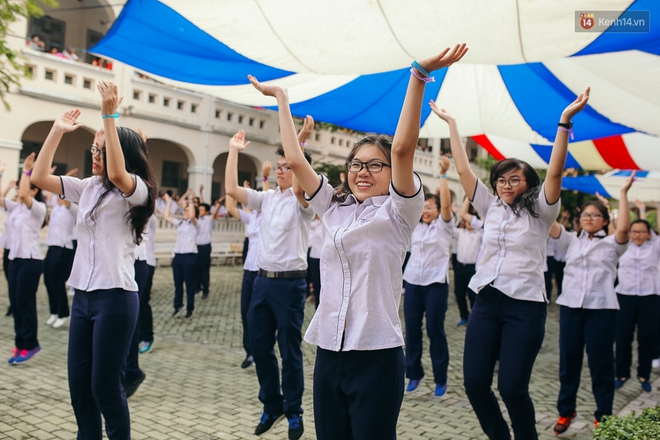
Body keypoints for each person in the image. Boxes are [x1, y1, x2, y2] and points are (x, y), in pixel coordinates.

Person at [249, 43, 468, 440]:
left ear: (390, 171)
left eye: (374, 165)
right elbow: (297, 162)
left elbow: (402, 147)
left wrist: (418, 75)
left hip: (378, 354)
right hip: (330, 352)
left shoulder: (400, 212)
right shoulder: (334, 208)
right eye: (356, 164)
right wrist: (283, 100)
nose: (363, 172)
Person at [432, 86, 590, 440]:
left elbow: (555, 172)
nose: (506, 184)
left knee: (512, 388)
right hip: (487, 302)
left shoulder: (542, 211)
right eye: (501, 179)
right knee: (474, 383)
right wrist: (453, 126)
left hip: (526, 307)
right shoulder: (490, 206)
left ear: (527, 184)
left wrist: (564, 123)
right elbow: (462, 168)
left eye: (514, 179)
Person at [30, 79, 157, 439]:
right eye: (93, 149)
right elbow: (39, 177)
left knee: (105, 388)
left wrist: (109, 116)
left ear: (121, 152)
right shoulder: (87, 187)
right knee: (80, 390)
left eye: (101, 150)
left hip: (116, 298)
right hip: (83, 298)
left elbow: (118, 173)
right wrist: (56, 130)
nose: (94, 155)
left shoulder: (137, 190)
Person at [225, 119, 315, 439]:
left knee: (289, 351)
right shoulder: (269, 199)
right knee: (260, 348)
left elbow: (299, 166)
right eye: (277, 167)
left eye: (286, 167)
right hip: (262, 282)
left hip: (290, 284)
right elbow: (232, 190)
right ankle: (272, 404)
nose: (280, 170)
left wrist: (300, 138)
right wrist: (233, 152)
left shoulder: (302, 201)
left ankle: (294, 411)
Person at [549, 176, 633, 434]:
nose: (589, 218)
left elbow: (624, 230)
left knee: (601, 364)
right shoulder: (570, 241)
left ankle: (603, 415)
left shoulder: (612, 245)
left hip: (602, 310)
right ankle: (566, 411)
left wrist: (623, 193)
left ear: (605, 221)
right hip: (571, 308)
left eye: (595, 215)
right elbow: (547, 221)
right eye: (585, 215)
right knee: (569, 362)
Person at [402, 156, 454, 396]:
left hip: (435, 284)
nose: (426, 211)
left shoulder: (444, 226)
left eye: (430, 208)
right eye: (423, 208)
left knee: (435, 330)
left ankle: (440, 378)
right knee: (412, 329)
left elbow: (446, 206)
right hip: (412, 282)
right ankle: (414, 373)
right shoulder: (415, 226)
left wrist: (442, 175)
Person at [1, 156, 47, 365]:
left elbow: (22, 193)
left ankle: (30, 344)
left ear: (34, 190)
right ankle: (20, 342)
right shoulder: (16, 208)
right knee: (16, 303)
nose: (20, 190)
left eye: (25, 186)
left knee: (25, 303)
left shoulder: (37, 209)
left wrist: (27, 170)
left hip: (30, 261)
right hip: (14, 260)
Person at [226, 168, 270, 369]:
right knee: (245, 312)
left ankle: (263, 350)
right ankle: (250, 351)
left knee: (259, 314)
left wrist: (265, 177)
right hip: (248, 270)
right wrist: (233, 189)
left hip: (263, 270)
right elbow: (230, 207)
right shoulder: (251, 217)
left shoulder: (269, 216)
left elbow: (268, 196)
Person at [614, 215, 660, 393]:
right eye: (634, 231)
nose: (638, 235)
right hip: (625, 296)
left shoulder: (655, 247)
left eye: (642, 232)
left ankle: (644, 374)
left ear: (649, 234)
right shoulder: (622, 246)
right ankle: (622, 373)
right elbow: (616, 229)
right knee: (623, 336)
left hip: (649, 297)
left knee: (646, 337)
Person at [43, 171, 78, 329]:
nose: (58, 197)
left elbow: (67, 197)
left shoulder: (72, 208)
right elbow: (48, 190)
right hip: (52, 246)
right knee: (48, 281)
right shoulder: (56, 207)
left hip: (64, 248)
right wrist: (54, 175)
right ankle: (54, 312)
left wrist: (67, 180)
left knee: (57, 282)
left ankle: (63, 313)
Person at [163, 193, 199, 318]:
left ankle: (190, 307)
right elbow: (166, 217)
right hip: (178, 256)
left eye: (188, 211)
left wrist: (190, 202)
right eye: (185, 210)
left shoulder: (195, 224)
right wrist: (168, 203)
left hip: (189, 256)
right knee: (178, 283)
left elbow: (193, 216)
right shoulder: (180, 223)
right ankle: (178, 305)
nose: (186, 212)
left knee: (189, 284)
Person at [453, 197, 483, 326]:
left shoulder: (480, 234)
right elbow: (448, 226)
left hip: (472, 269)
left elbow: (485, 223)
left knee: (472, 295)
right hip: (460, 268)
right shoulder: (461, 233)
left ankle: (474, 317)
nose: (468, 224)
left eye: (471, 222)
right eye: (467, 222)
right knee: (459, 294)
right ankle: (464, 316)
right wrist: (453, 213)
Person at [195, 185, 221, 300]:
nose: (199, 211)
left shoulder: (209, 220)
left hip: (205, 247)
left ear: (206, 212)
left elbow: (214, 213)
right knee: (196, 268)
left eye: (201, 210)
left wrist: (218, 205)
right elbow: (202, 204)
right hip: (196, 247)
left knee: (204, 269)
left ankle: (205, 289)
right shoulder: (197, 219)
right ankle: (197, 287)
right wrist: (200, 192)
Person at [138, 213, 158, 353]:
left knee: (143, 300)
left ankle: (147, 336)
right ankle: (136, 334)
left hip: (146, 261)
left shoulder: (150, 216)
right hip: (131, 260)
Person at [1, 177, 17, 317]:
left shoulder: (21, 209)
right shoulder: (11, 211)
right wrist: (7, 186)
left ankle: (16, 304)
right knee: (9, 280)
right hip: (8, 249)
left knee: (15, 281)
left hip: (17, 250)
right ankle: (13, 303)